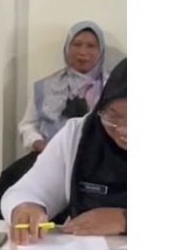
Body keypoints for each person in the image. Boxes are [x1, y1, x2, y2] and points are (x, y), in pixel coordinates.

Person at [4, 59, 126, 243]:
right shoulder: (79, 134)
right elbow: (28, 190)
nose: (124, 130)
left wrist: (124, 220)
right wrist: (26, 207)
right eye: (114, 117)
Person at [17, 20, 110, 154]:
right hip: (50, 156)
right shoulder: (46, 86)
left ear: (101, 51)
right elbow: (28, 125)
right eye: (77, 44)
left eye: (91, 46)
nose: (82, 52)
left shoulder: (114, 87)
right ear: (67, 47)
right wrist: (41, 145)